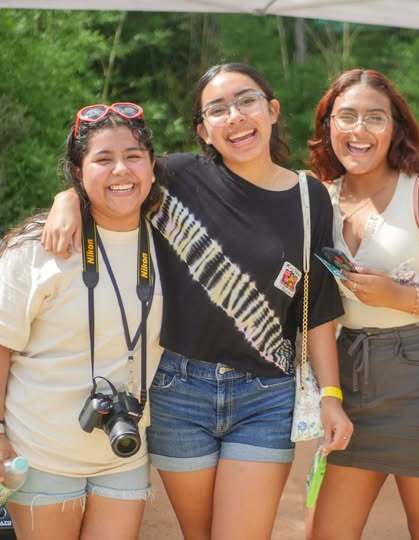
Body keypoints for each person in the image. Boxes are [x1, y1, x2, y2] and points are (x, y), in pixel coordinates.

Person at [42, 63, 353, 540]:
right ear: (203, 130)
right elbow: (114, 174)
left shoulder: (310, 196)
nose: (235, 117)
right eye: (217, 109)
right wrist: (67, 199)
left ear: (271, 110)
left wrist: (331, 397)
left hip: (266, 394)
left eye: (246, 101)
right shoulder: (177, 177)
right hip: (178, 389)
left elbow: (320, 306)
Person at [0, 103, 164, 539]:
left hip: (124, 452)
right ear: (77, 170)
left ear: (151, 166)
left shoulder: (167, 241)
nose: (121, 171)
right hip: (41, 452)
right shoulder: (39, 247)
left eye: (133, 156)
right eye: (103, 160)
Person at [306, 68, 419, 540]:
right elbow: (315, 311)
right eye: (346, 117)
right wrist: (330, 397)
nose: (358, 130)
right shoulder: (316, 199)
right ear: (328, 127)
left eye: (375, 118)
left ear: (395, 128)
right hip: (351, 382)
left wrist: (399, 296)